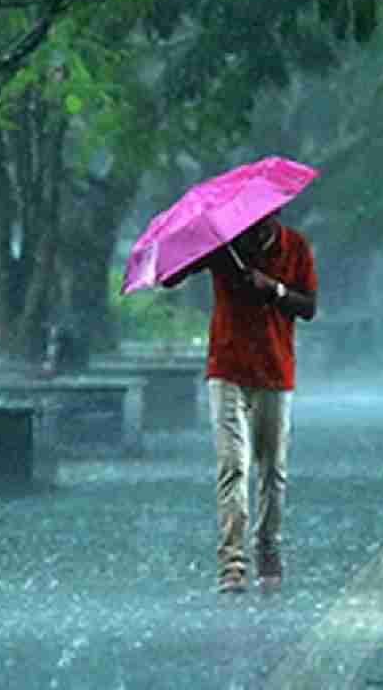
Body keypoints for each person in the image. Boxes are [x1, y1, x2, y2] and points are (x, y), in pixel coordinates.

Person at [161, 210, 317, 594]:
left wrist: (274, 289)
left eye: (263, 220)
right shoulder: (223, 246)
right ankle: (231, 562)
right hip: (227, 369)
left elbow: (309, 307)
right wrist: (189, 247)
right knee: (233, 465)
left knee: (272, 469)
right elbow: (171, 277)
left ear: (276, 215)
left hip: (275, 371)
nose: (255, 226)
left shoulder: (295, 247)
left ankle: (267, 546)